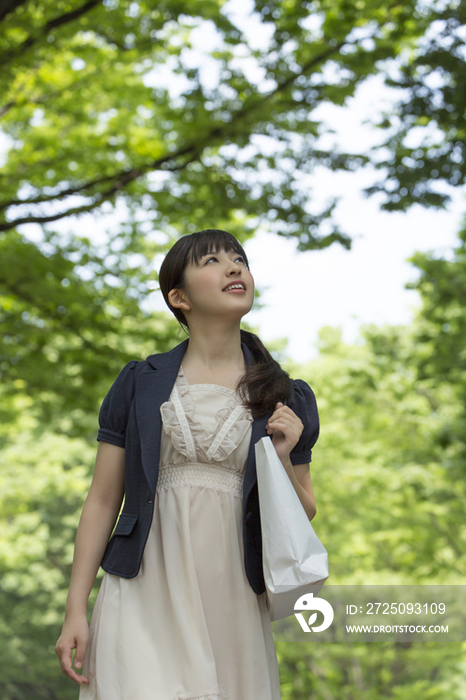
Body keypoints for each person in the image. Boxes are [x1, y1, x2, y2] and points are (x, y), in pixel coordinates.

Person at [55, 228, 320, 700]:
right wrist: (76, 607)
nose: (234, 267)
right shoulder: (139, 382)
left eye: (239, 258)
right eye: (213, 261)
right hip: (142, 585)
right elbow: (101, 501)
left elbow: (306, 512)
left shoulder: (284, 395)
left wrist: (280, 458)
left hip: (232, 592)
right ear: (179, 297)